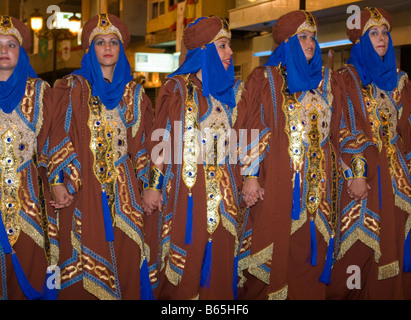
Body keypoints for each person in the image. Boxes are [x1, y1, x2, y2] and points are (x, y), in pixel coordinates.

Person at [236, 10, 369, 300]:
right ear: (286, 42)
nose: (310, 43)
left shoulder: (329, 83)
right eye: (303, 37)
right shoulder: (266, 80)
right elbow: (251, 130)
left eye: (313, 38)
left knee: (312, 257)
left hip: (319, 192)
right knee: (272, 265)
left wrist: (356, 172)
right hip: (275, 189)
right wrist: (249, 177)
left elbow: (344, 130)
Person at [142, 16, 267, 300]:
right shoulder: (176, 89)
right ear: (204, 50)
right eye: (222, 46)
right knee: (185, 265)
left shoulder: (235, 92)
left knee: (223, 262)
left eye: (229, 46)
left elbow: (247, 136)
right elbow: (162, 141)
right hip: (186, 197)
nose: (230, 52)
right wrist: (153, 186)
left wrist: (251, 177)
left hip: (226, 196)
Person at [49, 13, 154, 300]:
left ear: (121, 49)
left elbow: (144, 144)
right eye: (99, 42)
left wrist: (151, 186)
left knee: (127, 260)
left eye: (113, 42)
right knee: (81, 265)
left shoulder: (134, 93)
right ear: (88, 49)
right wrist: (58, 181)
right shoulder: (72, 88)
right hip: (83, 190)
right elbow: (58, 136)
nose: (107, 48)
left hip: (125, 194)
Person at [327, 7, 411, 300]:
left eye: (385, 32)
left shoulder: (400, 81)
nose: (382, 38)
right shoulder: (345, 80)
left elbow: (408, 131)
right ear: (360, 41)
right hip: (363, 182)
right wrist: (358, 172)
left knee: (395, 255)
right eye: (373, 33)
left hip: (398, 187)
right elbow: (342, 129)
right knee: (356, 256)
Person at [0, 15, 55, 299]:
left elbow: (54, 142)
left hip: (29, 198)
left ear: (21, 51)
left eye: (11, 44)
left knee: (32, 262)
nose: (3, 50)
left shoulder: (40, 92)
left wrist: (58, 180)